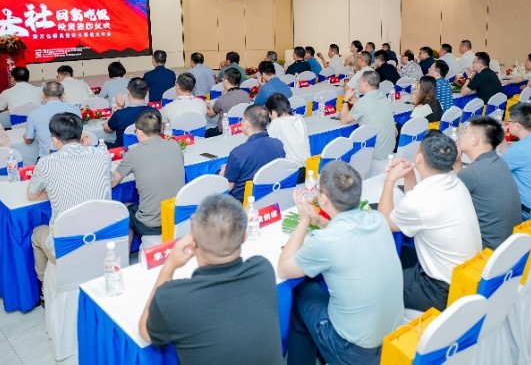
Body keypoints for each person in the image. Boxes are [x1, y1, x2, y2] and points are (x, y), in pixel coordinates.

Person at [278, 162, 403, 365]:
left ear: (324, 199)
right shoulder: (377, 219)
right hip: (391, 339)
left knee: (301, 292)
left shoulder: (326, 242)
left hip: (353, 352)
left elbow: (284, 268)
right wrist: (317, 220)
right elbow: (344, 231)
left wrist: (303, 220)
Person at [139, 194, 283, 364]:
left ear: (192, 240)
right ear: (245, 236)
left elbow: (145, 331)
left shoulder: (174, 298)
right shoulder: (263, 269)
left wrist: (168, 266)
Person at [379, 131, 481, 311]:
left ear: (418, 158)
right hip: (464, 276)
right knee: (400, 254)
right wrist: (409, 176)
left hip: (440, 289)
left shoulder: (420, 201)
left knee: (378, 286)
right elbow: (417, 205)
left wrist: (390, 180)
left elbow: (384, 223)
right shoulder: (455, 182)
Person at [28, 112, 110, 284]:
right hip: (103, 239)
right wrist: (88, 147)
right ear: (81, 135)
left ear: (55, 140)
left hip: (67, 247)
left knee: (37, 234)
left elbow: (31, 195)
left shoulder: (46, 162)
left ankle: (44, 288)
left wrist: (52, 190)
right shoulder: (102, 155)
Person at [112, 109, 184, 241]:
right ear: (161, 129)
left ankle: (124, 259)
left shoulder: (133, 153)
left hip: (151, 225)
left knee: (125, 208)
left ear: (139, 132)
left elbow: (112, 182)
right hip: (176, 216)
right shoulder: (175, 145)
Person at [457, 117, 522, 250]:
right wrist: (457, 162)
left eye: (465, 131)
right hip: (510, 246)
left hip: (487, 251)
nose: (461, 135)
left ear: (475, 139)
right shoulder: (500, 162)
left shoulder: (472, 173)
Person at [221, 105, 285, 202]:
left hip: (242, 204)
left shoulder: (238, 153)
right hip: (270, 197)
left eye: (242, 120)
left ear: (246, 124)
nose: (240, 122)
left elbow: (227, 187)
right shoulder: (278, 144)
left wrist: (222, 174)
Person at [341, 71, 396, 172]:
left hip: (375, 152)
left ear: (366, 84)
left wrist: (345, 99)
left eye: (360, 81)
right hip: (389, 147)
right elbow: (371, 107)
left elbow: (344, 120)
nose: (358, 83)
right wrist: (356, 102)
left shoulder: (363, 103)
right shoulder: (382, 96)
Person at [24, 81, 82, 158]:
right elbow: (79, 132)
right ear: (63, 95)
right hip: (75, 156)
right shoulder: (75, 109)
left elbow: (28, 140)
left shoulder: (34, 113)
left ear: (43, 95)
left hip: (48, 158)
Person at [266, 93, 310, 176]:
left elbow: (268, 143)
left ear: (274, 112)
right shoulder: (299, 118)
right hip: (308, 167)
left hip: (292, 172)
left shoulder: (276, 122)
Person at [103, 77, 153, 148]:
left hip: (123, 150)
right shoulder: (155, 112)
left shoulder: (120, 114)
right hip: (149, 147)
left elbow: (106, 128)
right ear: (147, 92)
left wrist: (119, 107)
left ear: (128, 93)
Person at [207, 68, 250, 136]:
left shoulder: (223, 98)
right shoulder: (246, 95)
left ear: (226, 80)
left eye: (223, 79)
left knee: (206, 132)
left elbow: (210, 114)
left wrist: (203, 105)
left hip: (223, 131)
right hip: (241, 129)